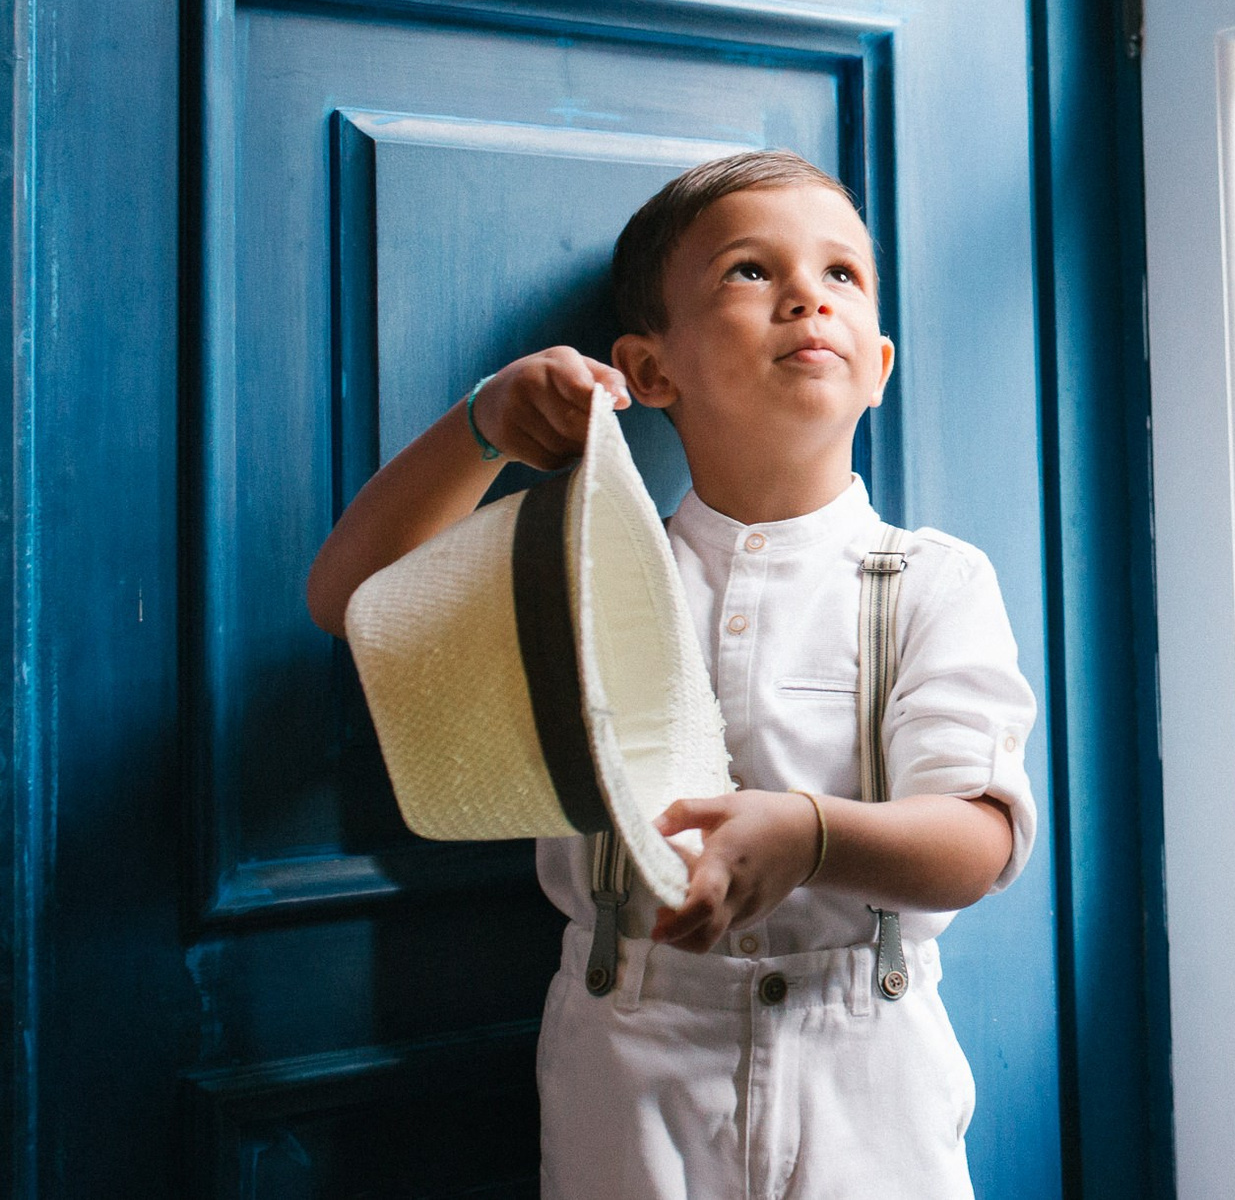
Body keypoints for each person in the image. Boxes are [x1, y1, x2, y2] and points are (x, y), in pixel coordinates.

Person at [307, 150, 1037, 1200]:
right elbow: (350, 601)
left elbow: (979, 837)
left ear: (877, 365)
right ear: (650, 372)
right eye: (750, 270)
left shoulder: (935, 581)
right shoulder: (587, 569)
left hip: (866, 1055)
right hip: (629, 1044)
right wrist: (481, 427)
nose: (804, 294)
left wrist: (808, 832)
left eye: (842, 273)